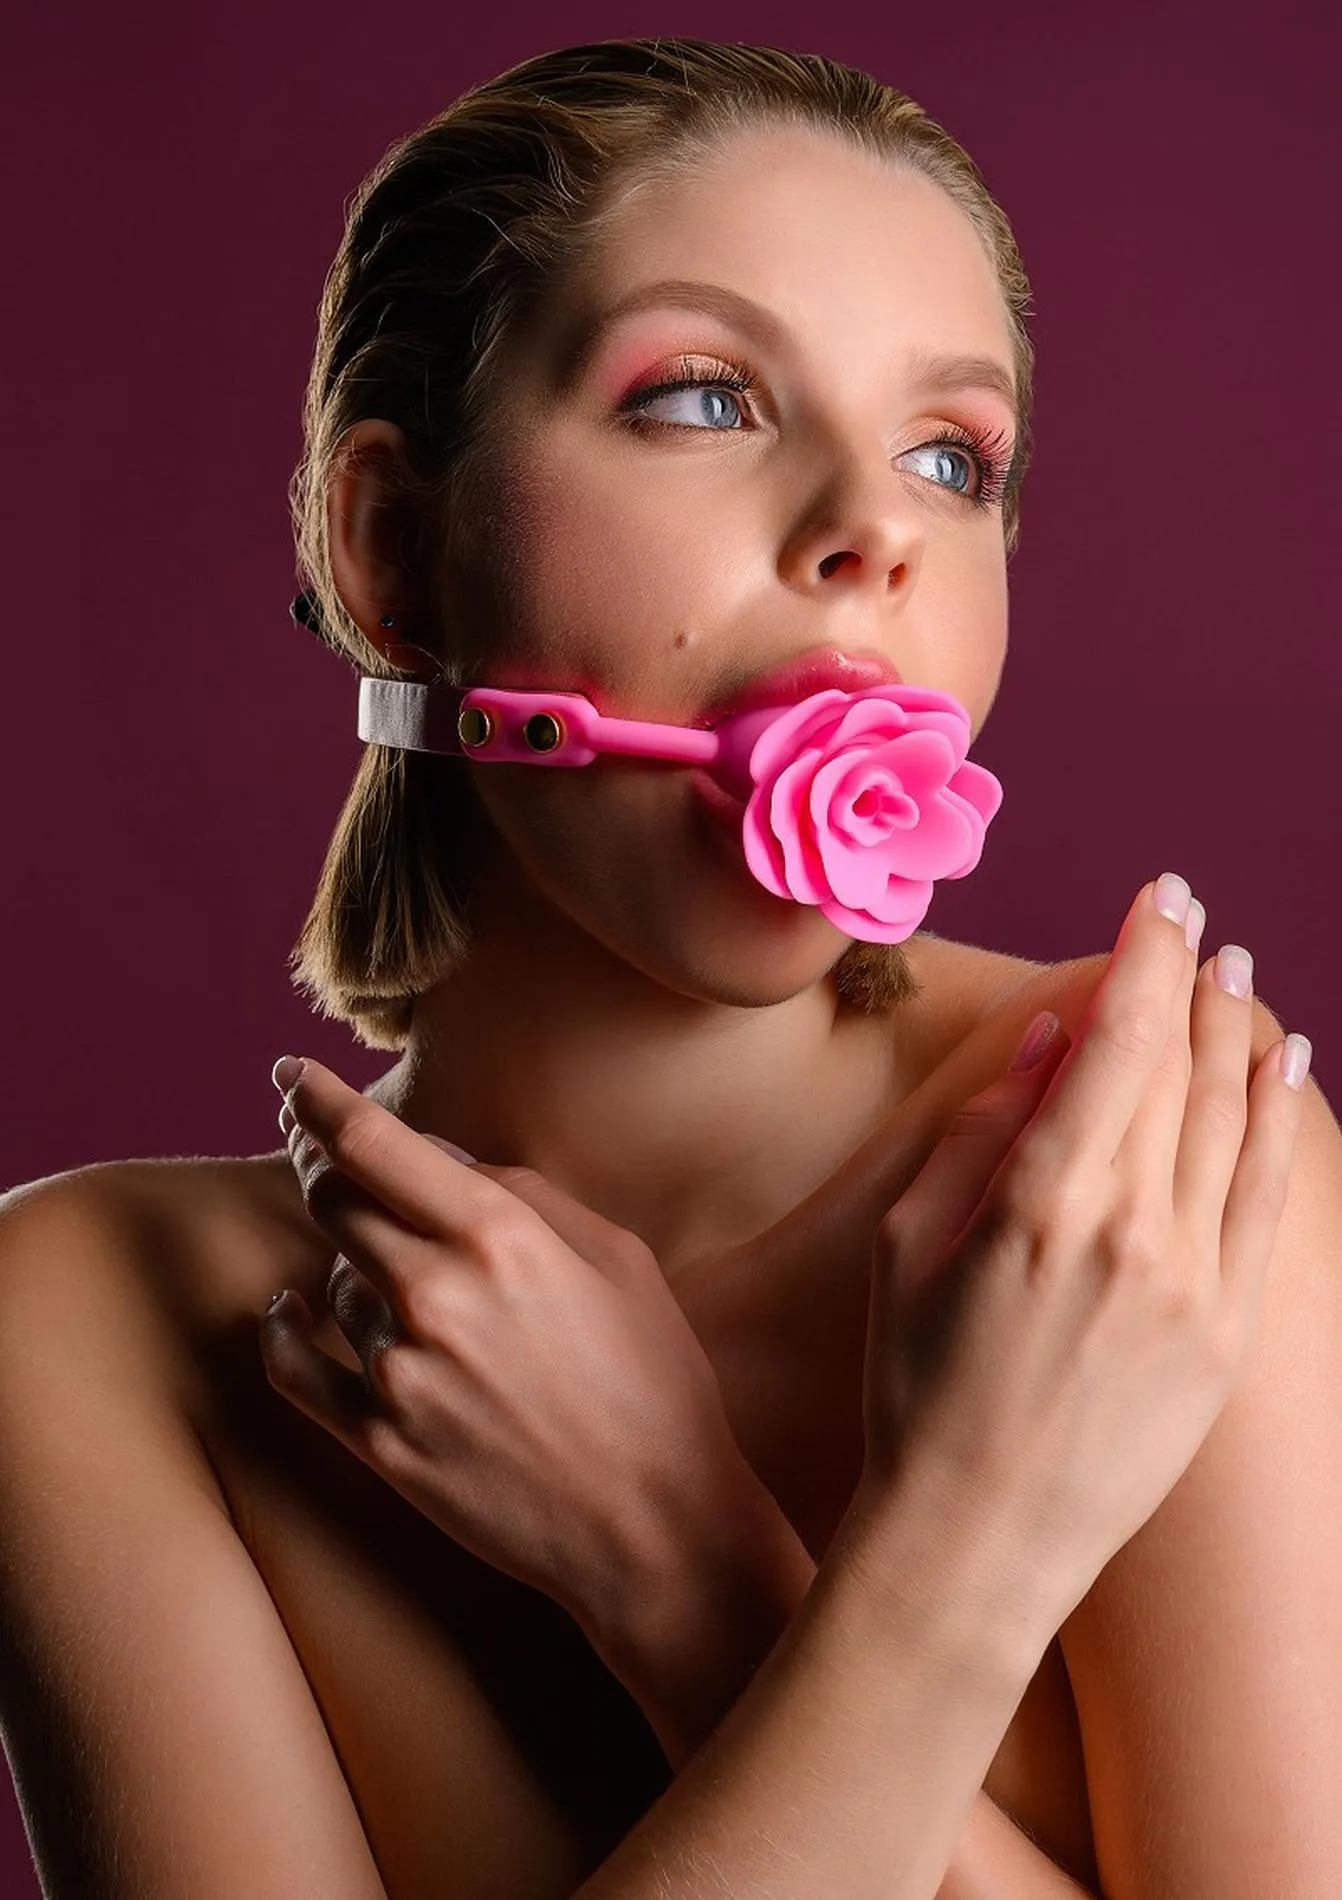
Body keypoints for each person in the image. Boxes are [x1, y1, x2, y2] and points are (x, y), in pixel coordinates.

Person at [0, 35, 1320, 1900]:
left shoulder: (1141, 1166)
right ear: (394, 550)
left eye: (951, 456)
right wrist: (953, 1561)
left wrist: (676, 1560)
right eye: (703, 398)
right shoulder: (85, 1325)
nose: (874, 532)